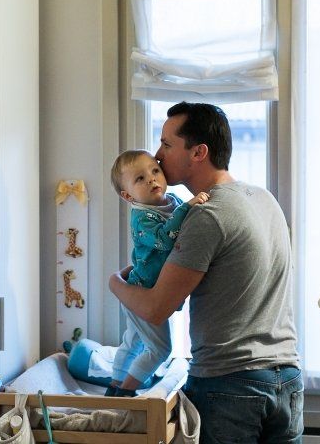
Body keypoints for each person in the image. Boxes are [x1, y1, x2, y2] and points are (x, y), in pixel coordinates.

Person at [108, 102, 302, 443]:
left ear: (198, 152)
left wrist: (114, 283)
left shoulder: (207, 214)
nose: (157, 154)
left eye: (167, 144)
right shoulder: (264, 199)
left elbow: (156, 308)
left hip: (230, 384)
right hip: (287, 378)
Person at [106, 150, 209, 397]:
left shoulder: (170, 200)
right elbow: (164, 239)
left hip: (146, 287)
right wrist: (188, 207)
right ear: (128, 195)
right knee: (160, 349)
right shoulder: (142, 217)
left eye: (155, 171)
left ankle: (115, 384)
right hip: (141, 293)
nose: (152, 179)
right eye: (140, 179)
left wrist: (186, 208)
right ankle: (125, 392)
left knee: (133, 341)